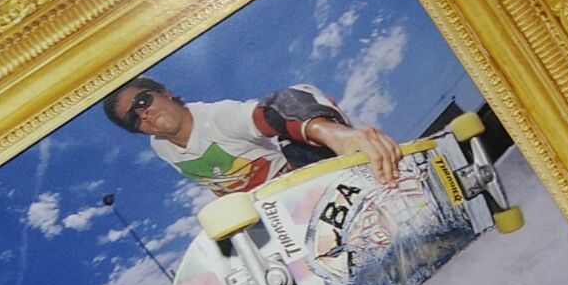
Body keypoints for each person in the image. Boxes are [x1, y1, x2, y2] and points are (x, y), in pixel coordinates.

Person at [101, 77, 403, 195]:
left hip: (305, 178)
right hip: (270, 210)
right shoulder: (161, 148)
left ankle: (366, 171)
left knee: (293, 134)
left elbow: (279, 106)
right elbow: (216, 182)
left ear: (164, 92)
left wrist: (337, 134)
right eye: (132, 118)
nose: (143, 113)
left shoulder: (217, 117)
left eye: (143, 101)